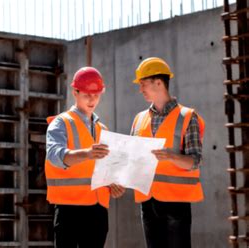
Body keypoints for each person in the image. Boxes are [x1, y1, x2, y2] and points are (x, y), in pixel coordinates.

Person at [45, 67, 125, 248]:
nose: (92, 100)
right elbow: (54, 155)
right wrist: (87, 154)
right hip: (69, 210)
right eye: (87, 94)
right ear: (75, 92)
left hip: (97, 211)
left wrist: (113, 185)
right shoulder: (61, 122)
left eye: (96, 95)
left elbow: (103, 170)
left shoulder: (102, 130)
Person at [130, 57, 205, 248]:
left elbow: (195, 161)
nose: (141, 89)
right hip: (147, 203)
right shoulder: (139, 119)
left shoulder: (187, 117)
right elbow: (131, 159)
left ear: (158, 82)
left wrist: (170, 156)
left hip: (176, 203)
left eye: (143, 84)